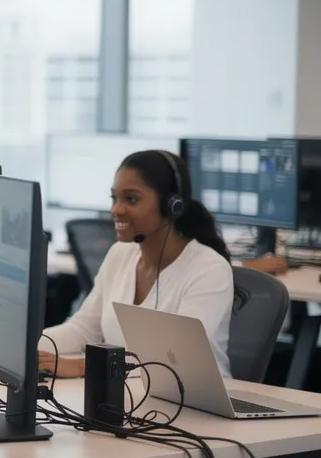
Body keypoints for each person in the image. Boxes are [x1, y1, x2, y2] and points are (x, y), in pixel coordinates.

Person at [40, 150, 234, 378]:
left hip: (195, 408)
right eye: (115, 198)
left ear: (172, 206)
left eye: (131, 199)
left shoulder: (209, 270)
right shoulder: (120, 254)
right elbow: (82, 330)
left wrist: (80, 367)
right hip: (128, 399)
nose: (116, 210)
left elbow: (173, 360)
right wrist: (24, 348)